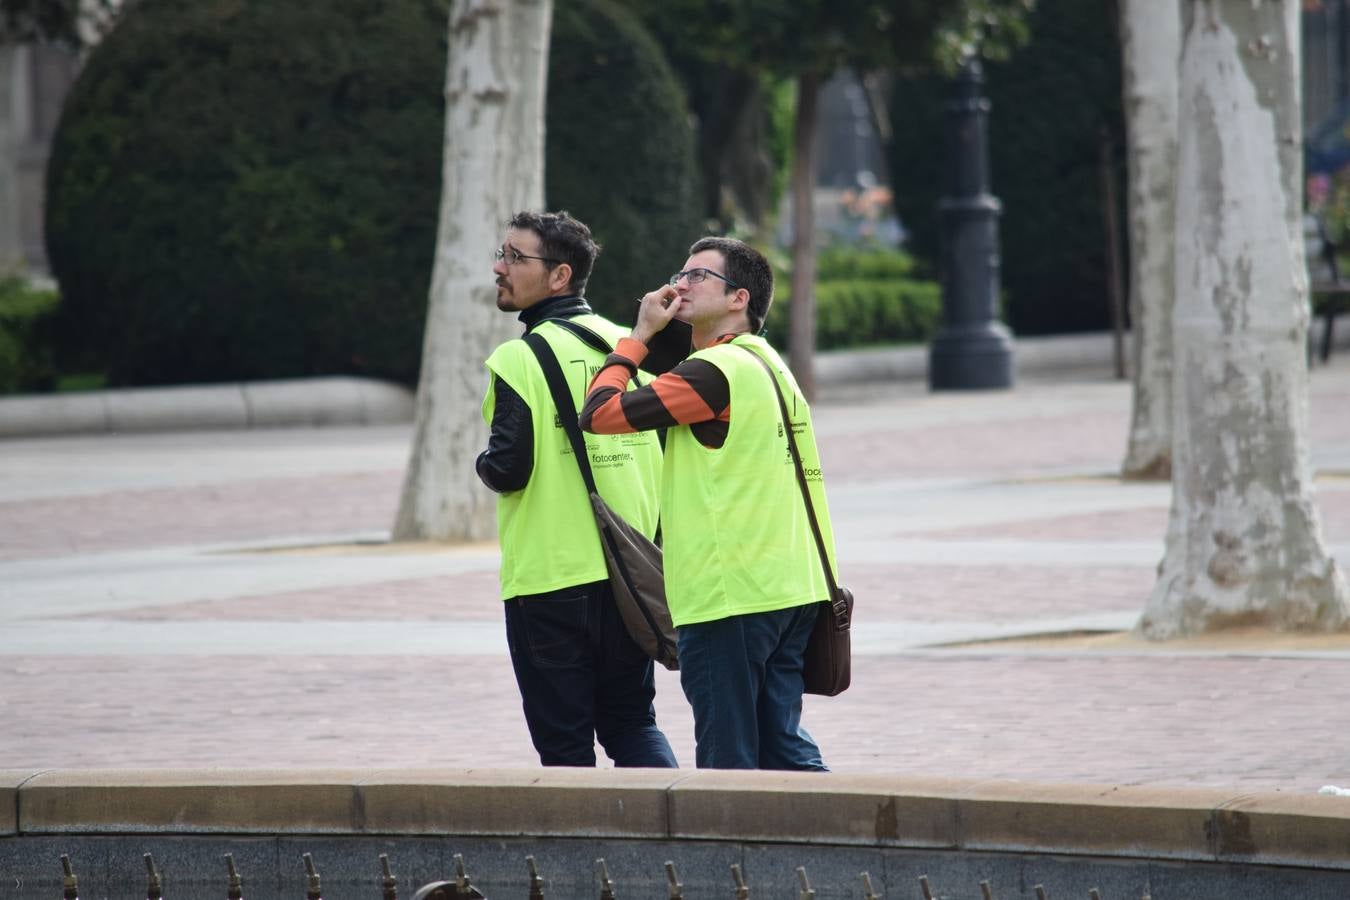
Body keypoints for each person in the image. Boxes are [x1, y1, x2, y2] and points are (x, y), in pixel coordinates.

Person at [580, 236, 837, 770]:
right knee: (782, 748)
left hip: (731, 596)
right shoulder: (767, 364)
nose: (680, 284)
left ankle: (732, 857)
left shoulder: (713, 373)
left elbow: (600, 414)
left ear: (739, 298)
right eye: (681, 271)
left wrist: (638, 338)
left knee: (728, 758)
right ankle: (846, 838)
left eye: (698, 276)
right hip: (793, 586)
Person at [476, 210, 677, 768]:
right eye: (502, 252)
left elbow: (509, 468)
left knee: (564, 748)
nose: (499, 267)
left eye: (515, 257)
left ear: (559, 276)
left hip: (550, 579)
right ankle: (679, 833)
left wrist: (482, 464)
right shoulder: (630, 346)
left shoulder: (518, 357)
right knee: (633, 723)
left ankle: (582, 858)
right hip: (628, 574)